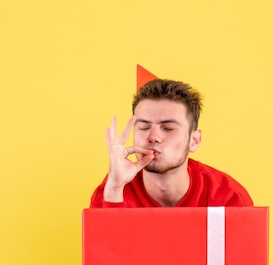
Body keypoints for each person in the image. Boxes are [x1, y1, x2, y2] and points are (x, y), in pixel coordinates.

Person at [90, 79, 253, 208]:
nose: (153, 137)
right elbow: (109, 250)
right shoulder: (110, 190)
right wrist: (115, 190)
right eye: (144, 127)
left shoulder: (229, 198)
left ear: (194, 141)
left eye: (168, 128)